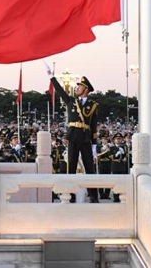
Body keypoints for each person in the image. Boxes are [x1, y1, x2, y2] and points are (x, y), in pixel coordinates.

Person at [46, 63, 99, 203]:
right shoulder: (71, 101)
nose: (77, 88)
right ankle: (71, 194)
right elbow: (59, 89)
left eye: (79, 86)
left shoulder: (93, 105)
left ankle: (93, 195)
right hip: (73, 136)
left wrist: (94, 145)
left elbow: (93, 127)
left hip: (85, 137)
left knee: (90, 168)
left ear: (86, 89)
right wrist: (51, 76)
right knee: (71, 166)